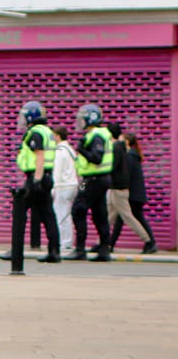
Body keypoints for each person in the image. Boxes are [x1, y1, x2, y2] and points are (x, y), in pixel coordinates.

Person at [13, 100, 61, 263]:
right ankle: (54, 251)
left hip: (37, 177)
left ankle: (15, 251)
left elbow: (39, 156)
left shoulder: (35, 132)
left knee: (19, 212)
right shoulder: (46, 131)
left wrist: (36, 180)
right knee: (48, 215)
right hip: (46, 177)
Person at [70, 103, 114, 262]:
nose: (80, 122)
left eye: (83, 118)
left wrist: (81, 149)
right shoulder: (101, 134)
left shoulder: (96, 136)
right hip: (101, 178)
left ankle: (80, 249)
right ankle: (104, 249)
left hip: (94, 179)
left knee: (78, 210)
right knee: (99, 214)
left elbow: (96, 158)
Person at [104, 124, 153, 253]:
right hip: (119, 189)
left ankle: (148, 241)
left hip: (120, 189)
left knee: (127, 217)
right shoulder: (125, 151)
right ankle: (104, 243)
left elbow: (116, 169)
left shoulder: (121, 151)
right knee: (110, 217)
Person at [51, 126, 79, 253]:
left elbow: (57, 171)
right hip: (73, 185)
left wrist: (54, 187)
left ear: (57, 136)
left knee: (60, 214)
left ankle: (64, 241)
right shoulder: (70, 150)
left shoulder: (60, 151)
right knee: (67, 214)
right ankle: (68, 240)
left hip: (63, 186)